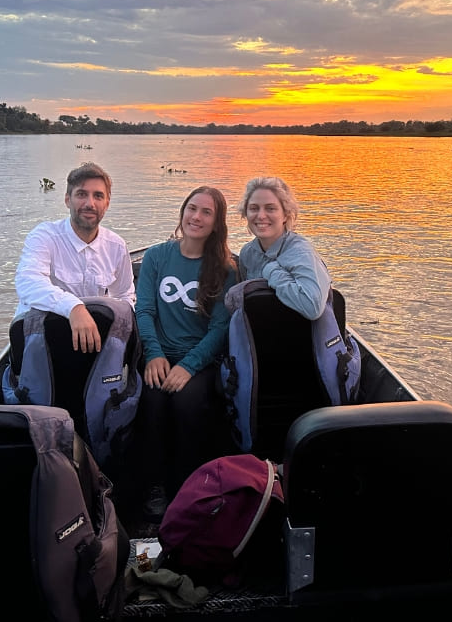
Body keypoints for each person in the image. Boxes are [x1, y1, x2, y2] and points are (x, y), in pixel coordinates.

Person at [135, 186, 238, 522]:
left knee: (186, 402)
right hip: (159, 354)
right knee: (150, 399)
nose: (196, 217)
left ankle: (187, 485)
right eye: (192, 208)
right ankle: (154, 486)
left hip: (200, 359)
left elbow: (219, 330)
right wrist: (153, 354)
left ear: (217, 222)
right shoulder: (156, 256)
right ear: (182, 212)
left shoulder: (227, 268)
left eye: (206, 212)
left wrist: (190, 366)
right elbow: (145, 311)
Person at [14, 162, 135, 353]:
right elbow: (28, 282)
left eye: (98, 196)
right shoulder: (44, 236)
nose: (90, 204)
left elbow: (124, 296)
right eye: (81, 194)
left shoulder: (117, 246)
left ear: (107, 203)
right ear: (67, 200)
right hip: (42, 342)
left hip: (94, 341)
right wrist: (73, 308)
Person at [237, 176, 330, 320]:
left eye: (270, 208)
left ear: (285, 215)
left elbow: (313, 307)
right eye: (254, 208)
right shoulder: (247, 254)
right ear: (246, 214)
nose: (261, 216)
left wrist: (271, 270)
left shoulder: (301, 252)